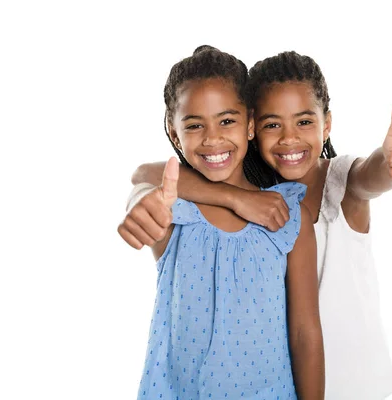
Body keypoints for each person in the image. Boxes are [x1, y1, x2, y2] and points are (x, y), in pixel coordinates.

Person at [120, 50, 392, 399]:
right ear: (255, 128)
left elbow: (366, 176)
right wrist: (235, 198)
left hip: (356, 384)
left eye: (304, 121)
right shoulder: (259, 203)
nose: (289, 138)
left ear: (327, 124)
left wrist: (390, 164)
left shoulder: (329, 187)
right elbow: (145, 177)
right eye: (272, 124)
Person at [128, 46, 324, 399]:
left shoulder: (289, 217)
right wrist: (236, 198)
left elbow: (304, 333)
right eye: (194, 125)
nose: (213, 138)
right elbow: (143, 177)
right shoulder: (174, 213)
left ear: (249, 125)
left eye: (227, 120)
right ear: (174, 135)